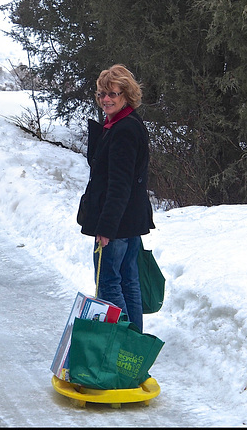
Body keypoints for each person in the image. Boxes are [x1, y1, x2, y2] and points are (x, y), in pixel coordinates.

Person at [76, 64, 155, 332]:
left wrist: (106, 228)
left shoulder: (124, 130)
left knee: (110, 282)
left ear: (126, 95)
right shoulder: (121, 125)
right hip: (128, 220)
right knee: (127, 281)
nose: (106, 99)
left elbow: (119, 184)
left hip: (118, 223)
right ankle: (131, 345)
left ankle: (120, 344)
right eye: (101, 94)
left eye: (112, 94)